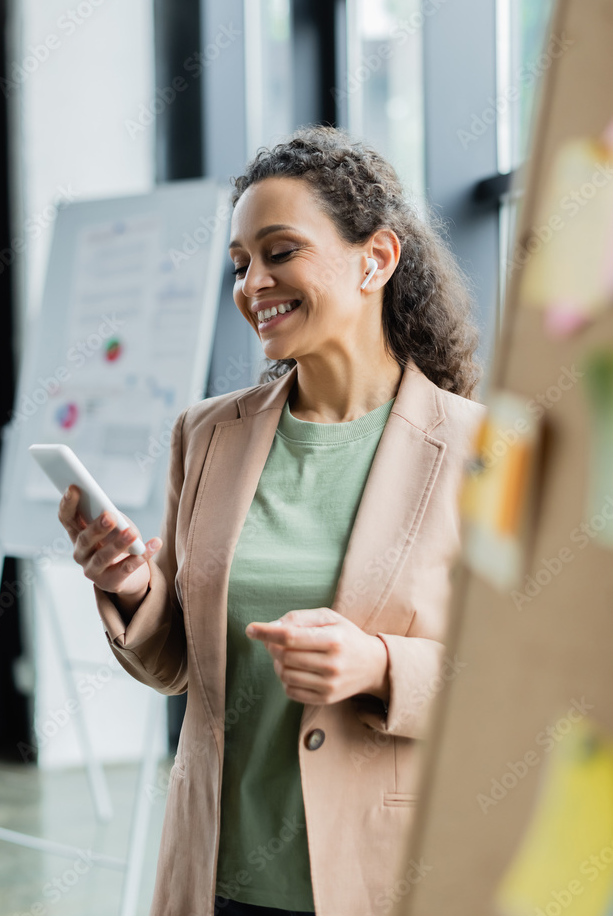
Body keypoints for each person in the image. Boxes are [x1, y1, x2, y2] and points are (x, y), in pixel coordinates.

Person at [58, 124, 486, 916]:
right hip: (217, 868)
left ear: (377, 258)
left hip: (389, 872)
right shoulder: (206, 433)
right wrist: (132, 587)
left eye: (280, 251)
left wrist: (383, 666)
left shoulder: (484, 448)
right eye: (239, 262)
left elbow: (534, 676)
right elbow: (175, 665)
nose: (253, 282)